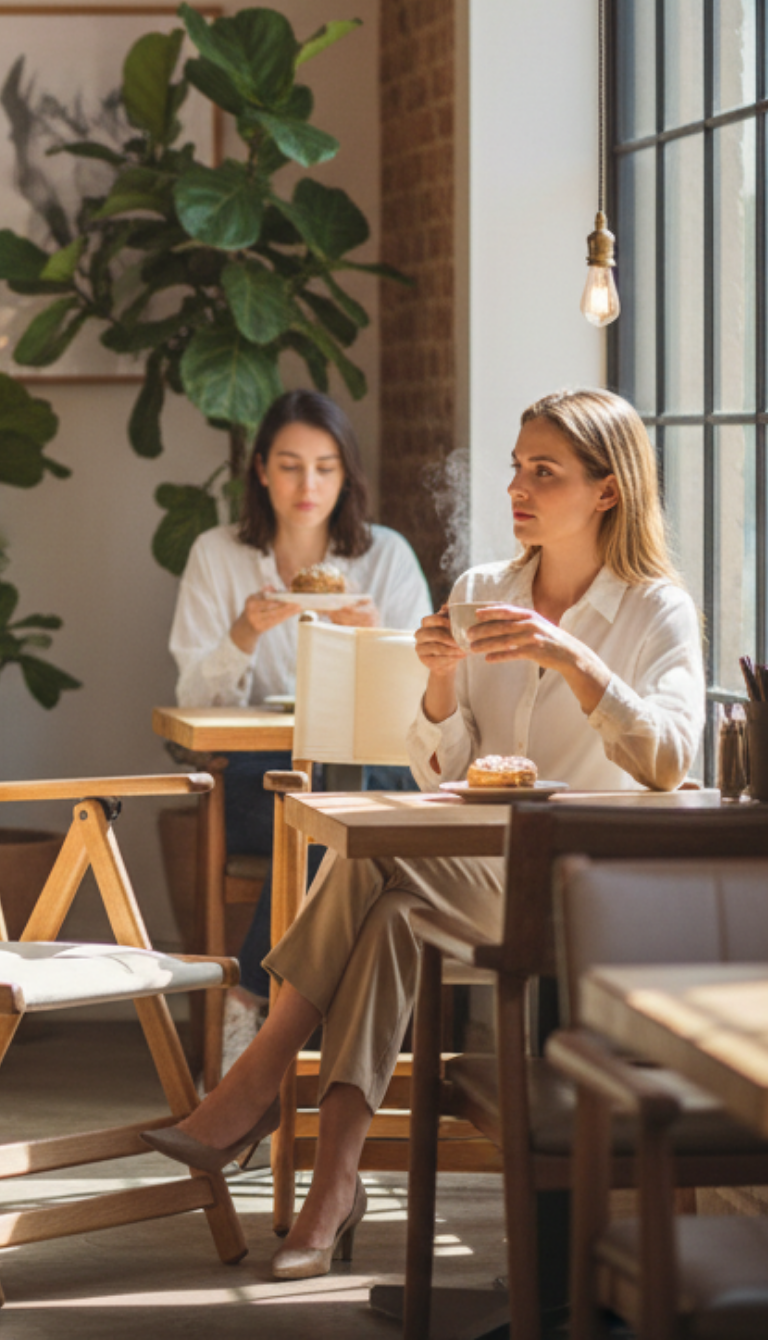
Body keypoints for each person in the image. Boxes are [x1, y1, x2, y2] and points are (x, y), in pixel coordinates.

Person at [145, 388, 705, 1279]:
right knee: (391, 906)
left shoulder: (653, 608)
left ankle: (258, 1086)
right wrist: (439, 685)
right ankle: (333, 1189)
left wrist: (575, 659)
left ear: (606, 491)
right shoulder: (483, 591)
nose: (516, 488)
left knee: (384, 868)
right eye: (517, 467)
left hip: (584, 890)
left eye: (544, 472)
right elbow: (443, 773)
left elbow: (673, 761)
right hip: (478, 873)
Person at [168, 390, 431, 1064]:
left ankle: (249, 1000)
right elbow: (191, 698)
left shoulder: (386, 559)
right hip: (257, 772)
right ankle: (347, 1045)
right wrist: (242, 634)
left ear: (347, 476)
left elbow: (428, 696)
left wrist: (377, 642)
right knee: (325, 814)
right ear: (260, 470)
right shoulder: (218, 554)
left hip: (373, 767)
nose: (307, 485)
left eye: (325, 467)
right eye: (289, 466)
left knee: (341, 810)